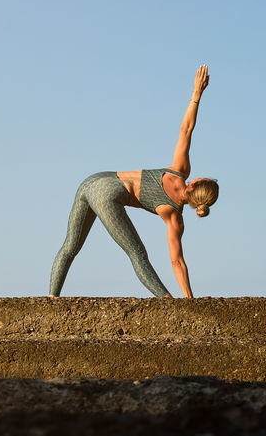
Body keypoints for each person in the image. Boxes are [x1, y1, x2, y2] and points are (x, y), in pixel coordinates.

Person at [49, 65, 219, 300]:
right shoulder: (174, 217)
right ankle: (166, 300)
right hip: (105, 192)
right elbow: (177, 261)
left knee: (70, 246)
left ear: (197, 184)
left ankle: (51, 299)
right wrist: (189, 298)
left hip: (93, 180)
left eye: (203, 178)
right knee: (136, 253)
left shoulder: (180, 171)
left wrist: (196, 95)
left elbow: (186, 129)